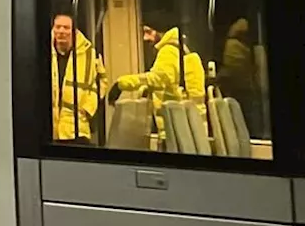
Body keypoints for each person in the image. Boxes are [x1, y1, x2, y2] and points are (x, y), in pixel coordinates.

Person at [114, 16, 207, 138]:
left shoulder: (168, 51)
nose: (145, 38)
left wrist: (121, 84)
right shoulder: (182, 51)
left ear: (161, 32)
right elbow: (170, 81)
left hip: (176, 128)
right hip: (192, 126)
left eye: (149, 32)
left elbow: (157, 79)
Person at [51, 13, 108, 144]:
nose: (61, 31)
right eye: (58, 27)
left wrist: (88, 108)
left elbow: (101, 81)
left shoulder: (89, 54)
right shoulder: (44, 52)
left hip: (77, 128)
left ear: (74, 31)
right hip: (50, 130)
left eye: (66, 27)